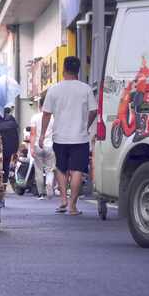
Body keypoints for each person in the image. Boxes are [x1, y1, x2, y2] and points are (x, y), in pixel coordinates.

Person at [39, 56, 97, 215]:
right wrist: (86, 125)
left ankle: (63, 199)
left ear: (64, 69)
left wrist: (42, 135)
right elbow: (94, 110)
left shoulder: (54, 89)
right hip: (80, 137)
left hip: (60, 137)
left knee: (61, 167)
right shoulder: (85, 89)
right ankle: (72, 206)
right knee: (77, 169)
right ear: (78, 70)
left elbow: (46, 114)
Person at [29, 96, 55, 199]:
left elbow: (32, 134)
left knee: (38, 169)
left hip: (37, 146)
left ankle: (41, 193)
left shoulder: (35, 117)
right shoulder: (54, 117)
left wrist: (31, 148)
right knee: (50, 169)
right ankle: (49, 183)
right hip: (50, 145)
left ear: (40, 106)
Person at [0, 107, 19, 187]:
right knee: (6, 164)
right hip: (8, 147)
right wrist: (15, 148)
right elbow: (16, 137)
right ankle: (4, 182)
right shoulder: (12, 121)